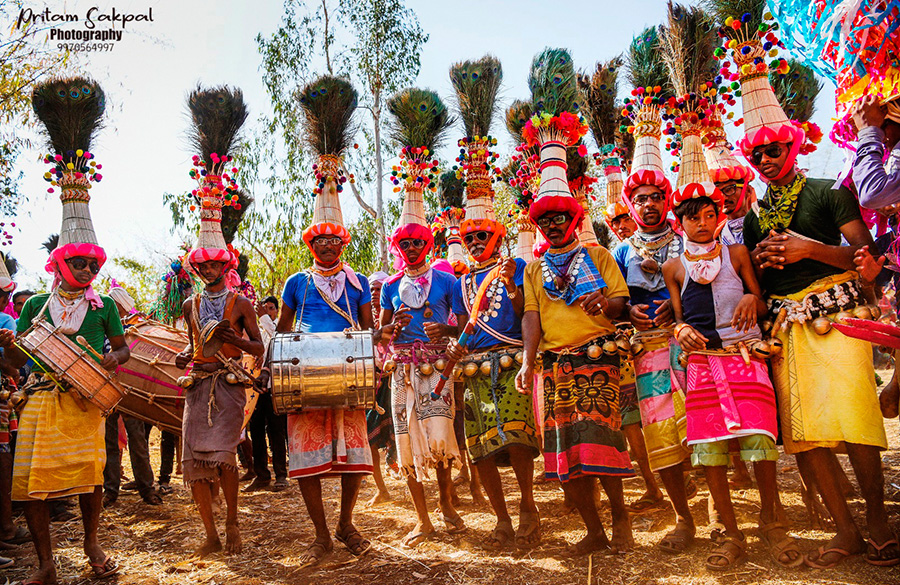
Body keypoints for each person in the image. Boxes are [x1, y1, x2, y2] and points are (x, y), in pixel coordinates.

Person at [724, 29, 896, 564]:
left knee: (854, 419)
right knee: (805, 435)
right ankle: (844, 530)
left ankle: (878, 520)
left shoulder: (830, 193)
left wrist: (808, 250)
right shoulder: (749, 222)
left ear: (791, 147)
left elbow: (867, 259)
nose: (766, 159)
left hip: (836, 318)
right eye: (757, 154)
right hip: (785, 330)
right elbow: (752, 280)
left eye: (773, 149)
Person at [664, 186, 801, 570]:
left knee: (760, 439)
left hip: (745, 356)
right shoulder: (673, 268)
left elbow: (759, 299)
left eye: (710, 215)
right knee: (710, 449)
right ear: (681, 223)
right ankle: (729, 531)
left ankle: (772, 521)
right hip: (702, 364)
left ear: (718, 216)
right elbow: (678, 319)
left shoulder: (736, 253)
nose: (704, 224)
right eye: (694, 217)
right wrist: (678, 332)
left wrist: (749, 299)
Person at [174, 86, 263, 557]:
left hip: (229, 388)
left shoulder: (241, 302)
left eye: (215, 266)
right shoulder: (189, 305)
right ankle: (208, 531)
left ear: (225, 265)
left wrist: (237, 343)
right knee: (195, 467)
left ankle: (231, 523)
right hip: (197, 387)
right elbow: (189, 346)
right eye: (202, 266)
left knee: (225, 459)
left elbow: (259, 349)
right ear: (196, 267)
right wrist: (184, 356)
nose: (209, 271)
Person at [618, 88, 695, 555]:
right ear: (632, 203)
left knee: (705, 429)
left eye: (656, 196)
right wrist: (627, 310)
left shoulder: (690, 238)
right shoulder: (621, 251)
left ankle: (725, 514)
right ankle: (683, 516)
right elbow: (616, 301)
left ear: (667, 198)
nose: (648, 205)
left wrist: (676, 303)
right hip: (644, 353)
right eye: (641, 198)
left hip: (691, 345)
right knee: (662, 436)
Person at [446, 201, 541, 550]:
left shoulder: (516, 269)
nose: (474, 242)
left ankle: (528, 507)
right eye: (469, 237)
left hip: (512, 363)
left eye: (482, 235)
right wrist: (455, 347)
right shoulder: (460, 284)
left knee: (517, 439)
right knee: (480, 450)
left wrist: (510, 285)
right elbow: (462, 329)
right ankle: (501, 517)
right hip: (476, 369)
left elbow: (525, 314)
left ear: (497, 237)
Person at [102, 284, 162, 507]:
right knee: (109, 443)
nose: (122, 313)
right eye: (120, 308)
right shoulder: (101, 324)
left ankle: (147, 489)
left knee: (138, 441)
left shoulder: (132, 329)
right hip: (105, 390)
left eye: (123, 310)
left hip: (130, 391)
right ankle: (110, 491)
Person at [245, 295, 288, 493]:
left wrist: (264, 319)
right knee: (256, 432)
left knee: (276, 432)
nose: (267, 311)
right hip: (256, 389)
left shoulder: (280, 328)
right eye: (264, 309)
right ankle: (261, 475)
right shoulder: (258, 333)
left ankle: (281, 475)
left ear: (277, 311)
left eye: (271, 308)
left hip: (275, 388)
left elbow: (279, 342)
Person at [365, 271, 396, 507]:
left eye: (379, 289)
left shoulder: (400, 317)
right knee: (370, 440)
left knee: (405, 436)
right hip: (371, 384)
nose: (375, 294)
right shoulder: (362, 320)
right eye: (371, 289)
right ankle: (381, 489)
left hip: (395, 381)